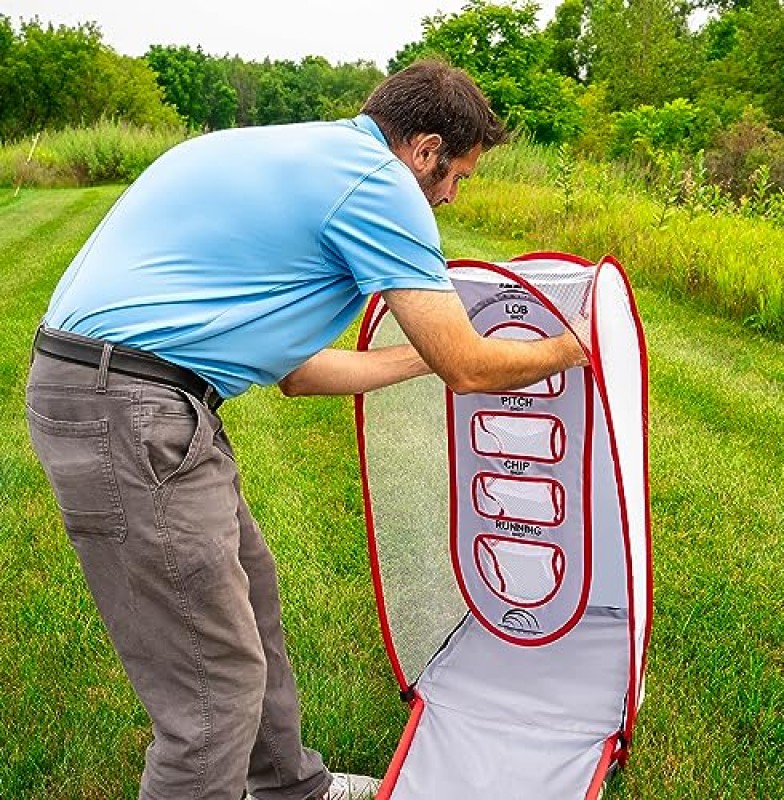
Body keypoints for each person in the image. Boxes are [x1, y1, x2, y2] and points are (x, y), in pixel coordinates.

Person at [25, 60, 587, 800]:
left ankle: (292, 788)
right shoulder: (379, 185)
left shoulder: (306, 156)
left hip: (137, 398)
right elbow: (470, 366)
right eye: (458, 175)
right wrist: (578, 344)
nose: (453, 194)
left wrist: (418, 361)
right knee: (211, 686)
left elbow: (299, 373)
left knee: (250, 600)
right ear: (423, 149)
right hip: (128, 408)